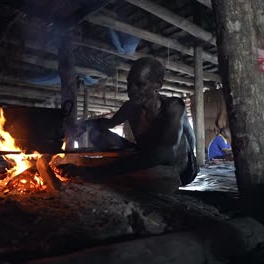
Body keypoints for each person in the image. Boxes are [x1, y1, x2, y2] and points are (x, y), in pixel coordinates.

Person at [70, 57, 198, 187]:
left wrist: (98, 172)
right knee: (96, 133)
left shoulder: (174, 107)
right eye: (129, 84)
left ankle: (110, 170)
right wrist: (85, 125)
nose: (131, 90)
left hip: (180, 168)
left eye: (140, 84)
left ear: (158, 85)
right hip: (146, 155)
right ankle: (124, 168)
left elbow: (167, 154)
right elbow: (108, 124)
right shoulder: (130, 107)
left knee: (157, 172)